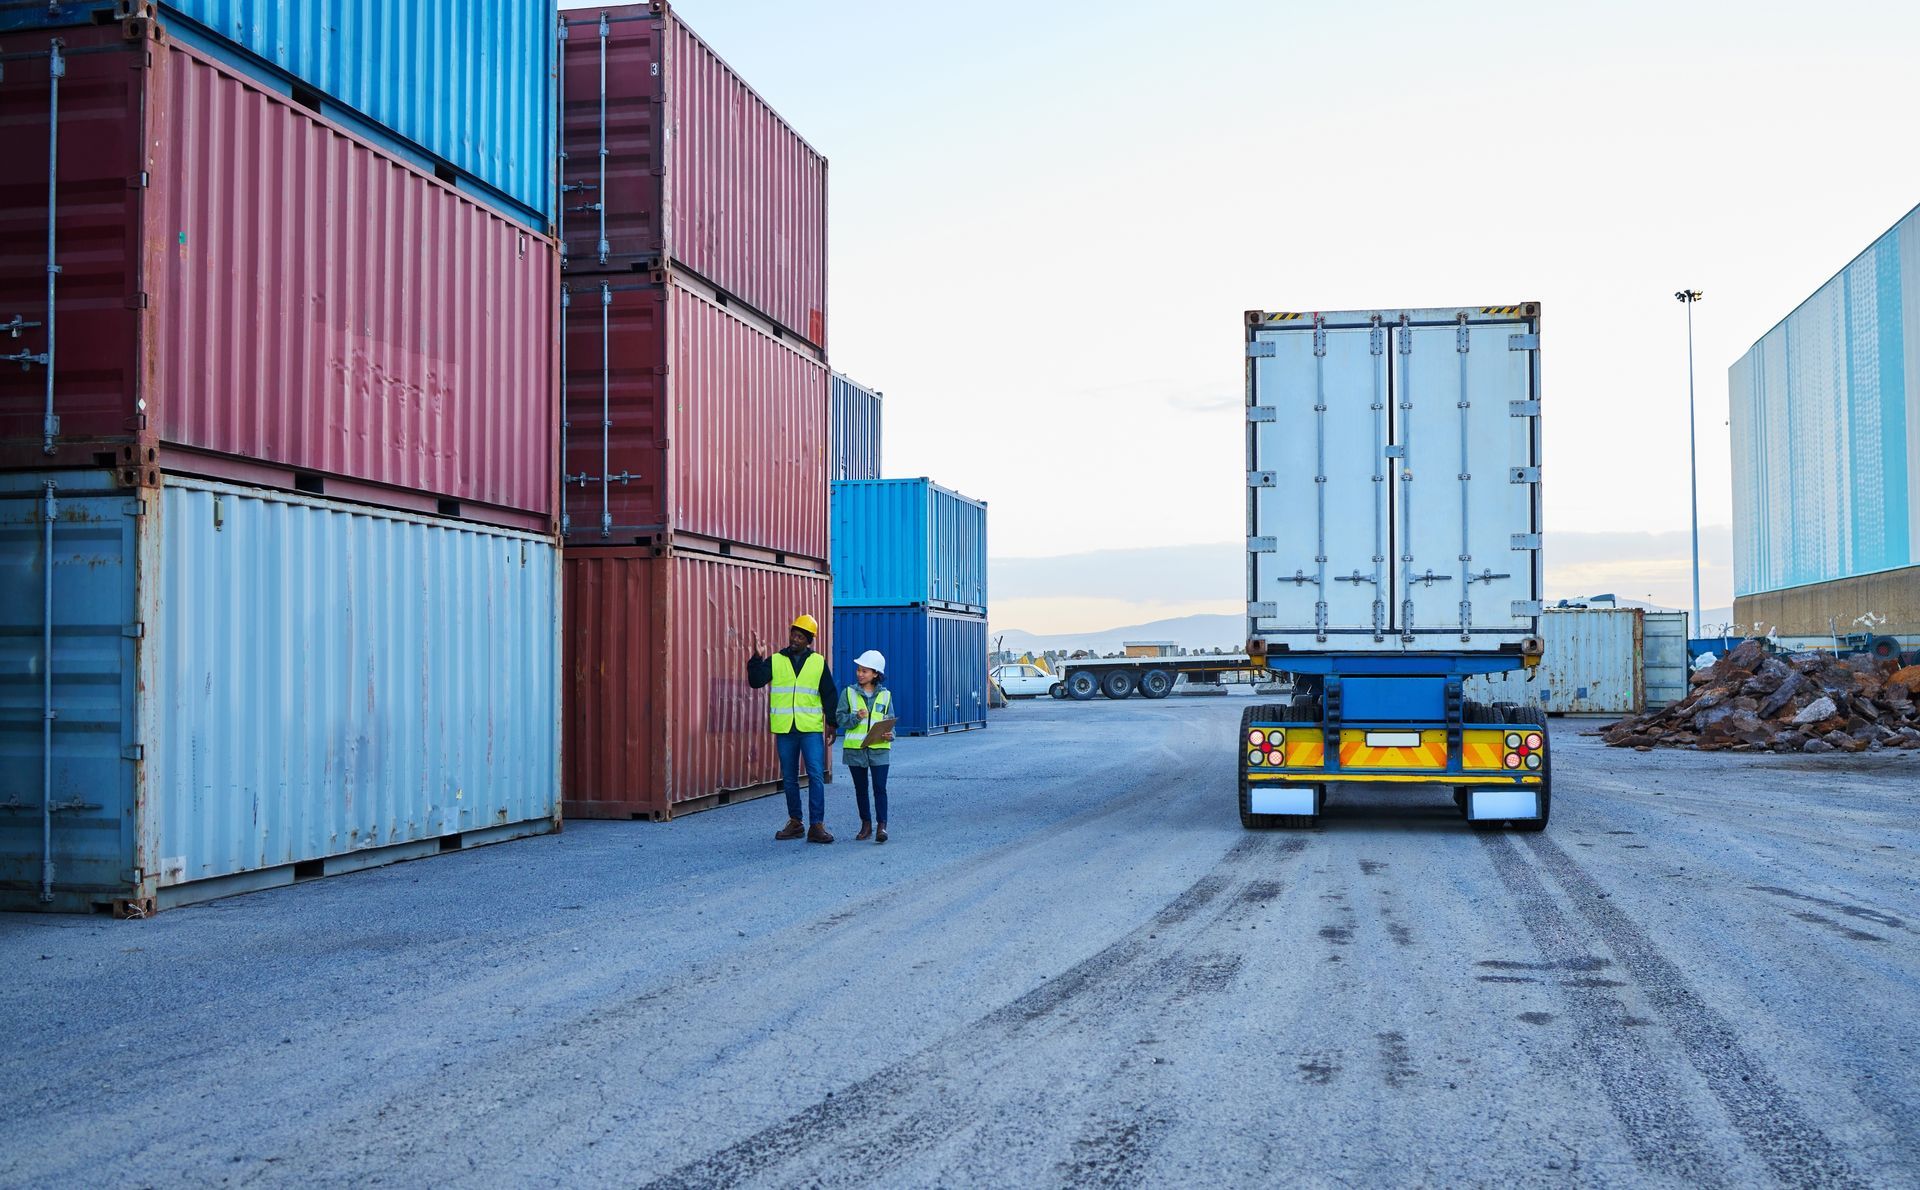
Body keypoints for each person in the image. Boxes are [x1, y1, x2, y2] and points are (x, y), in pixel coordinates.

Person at [746, 614, 838, 843]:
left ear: (809, 640)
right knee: (789, 778)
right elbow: (756, 681)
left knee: (816, 775)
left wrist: (832, 723)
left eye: (800, 636)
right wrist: (756, 658)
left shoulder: (818, 662)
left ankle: (817, 825)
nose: (794, 639)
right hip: (786, 729)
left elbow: (829, 693)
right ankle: (795, 822)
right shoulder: (776, 660)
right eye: (793, 634)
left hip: (810, 729)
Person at [837, 650, 894, 843]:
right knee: (861, 789)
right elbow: (840, 719)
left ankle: (882, 827)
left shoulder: (886, 695)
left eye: (865, 671)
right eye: (859, 670)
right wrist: (855, 717)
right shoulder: (848, 693)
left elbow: (890, 720)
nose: (860, 674)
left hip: (879, 749)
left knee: (880, 788)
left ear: (876, 673)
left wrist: (890, 735)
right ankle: (866, 825)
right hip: (856, 750)